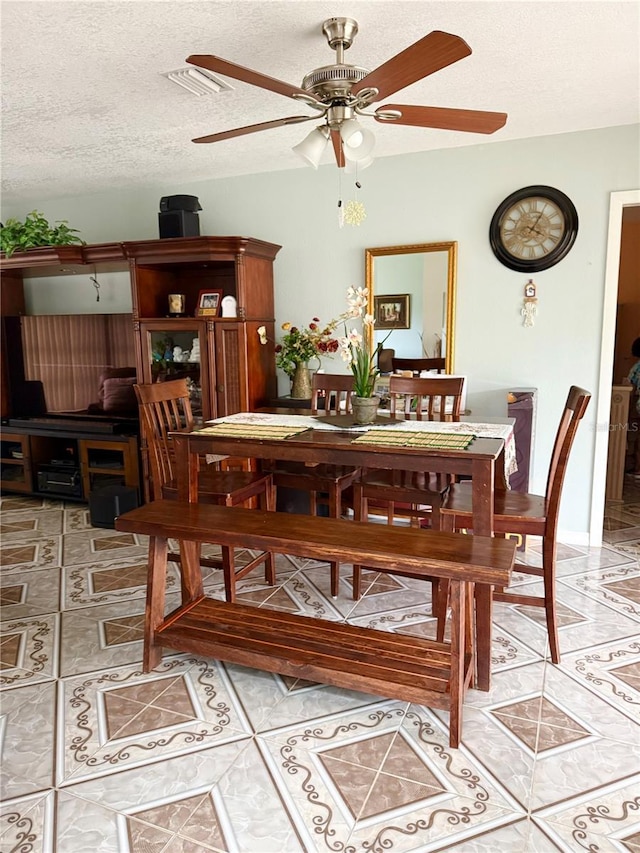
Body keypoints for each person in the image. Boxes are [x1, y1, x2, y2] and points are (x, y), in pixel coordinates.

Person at [625, 336, 640, 476]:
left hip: (639, 403)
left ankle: (637, 468)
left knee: (636, 436)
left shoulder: (637, 366)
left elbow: (629, 383)